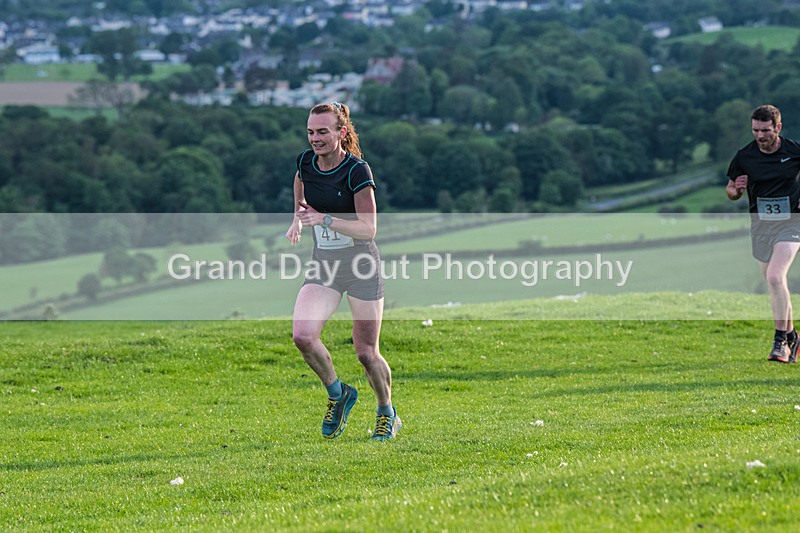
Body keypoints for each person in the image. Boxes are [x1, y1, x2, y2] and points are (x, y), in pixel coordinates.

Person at [285, 101, 401, 440]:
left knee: (366, 352)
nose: (315, 139)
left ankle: (386, 411)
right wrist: (298, 217)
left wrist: (325, 220)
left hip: (361, 265)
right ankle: (339, 394)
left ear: (341, 132)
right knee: (303, 336)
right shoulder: (306, 161)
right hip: (325, 265)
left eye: (322, 131)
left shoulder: (356, 171)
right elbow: (300, 182)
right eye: (310, 132)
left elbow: (369, 228)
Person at [727, 104, 800, 363]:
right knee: (776, 284)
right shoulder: (744, 156)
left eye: (765, 130)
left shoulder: (794, 151)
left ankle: (780, 341)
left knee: (775, 275)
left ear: (777, 128)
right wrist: (736, 188)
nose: (760, 136)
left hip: (791, 223)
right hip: (760, 226)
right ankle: (792, 337)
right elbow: (731, 191)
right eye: (755, 130)